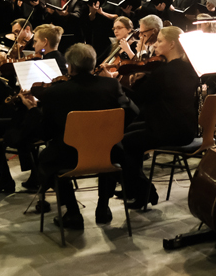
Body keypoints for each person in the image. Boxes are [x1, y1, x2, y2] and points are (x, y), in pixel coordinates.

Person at [22, 44, 137, 229]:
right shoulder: (110, 85)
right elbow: (132, 111)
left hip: (69, 155)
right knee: (109, 151)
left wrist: (33, 110)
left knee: (45, 159)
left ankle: (73, 212)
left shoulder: (55, 92)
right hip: (108, 152)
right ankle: (103, 207)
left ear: (70, 66)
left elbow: (44, 133)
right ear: (93, 65)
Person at [119, 26, 199, 208]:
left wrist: (118, 84)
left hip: (169, 129)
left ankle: (144, 191)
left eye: (160, 41)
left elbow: (139, 98)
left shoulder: (165, 72)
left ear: (171, 45)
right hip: (184, 127)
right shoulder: (188, 68)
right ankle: (134, 190)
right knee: (129, 135)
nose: (155, 44)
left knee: (123, 144)